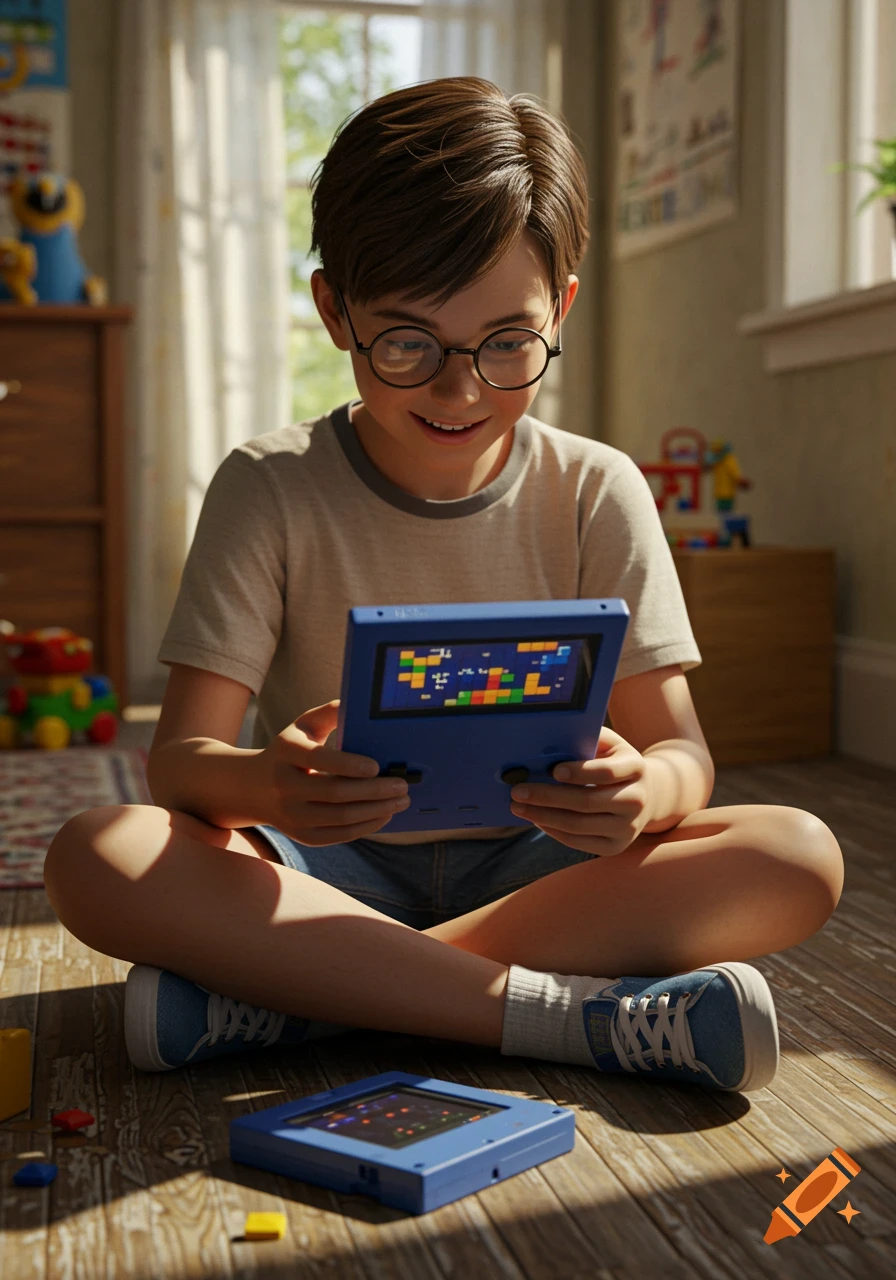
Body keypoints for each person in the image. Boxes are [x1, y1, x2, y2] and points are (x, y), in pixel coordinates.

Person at [43, 77, 842, 1090]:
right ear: (334, 308)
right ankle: (553, 1015)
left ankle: (303, 998)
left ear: (559, 307)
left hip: (543, 871)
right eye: (408, 341)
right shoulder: (268, 485)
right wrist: (270, 784)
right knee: (97, 850)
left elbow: (681, 750)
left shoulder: (596, 488)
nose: (460, 389)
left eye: (508, 343)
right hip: (324, 872)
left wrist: (647, 790)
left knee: (797, 852)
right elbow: (182, 767)